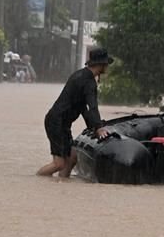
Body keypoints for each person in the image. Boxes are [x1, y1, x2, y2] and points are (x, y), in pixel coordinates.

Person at [36, 47, 113, 179]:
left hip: (61, 122)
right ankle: (36, 180)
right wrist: (99, 128)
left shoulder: (81, 75)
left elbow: (83, 108)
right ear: (101, 64)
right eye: (106, 64)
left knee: (72, 157)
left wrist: (93, 127)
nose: (107, 67)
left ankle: (61, 184)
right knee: (58, 164)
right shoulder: (88, 82)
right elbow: (92, 107)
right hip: (57, 122)